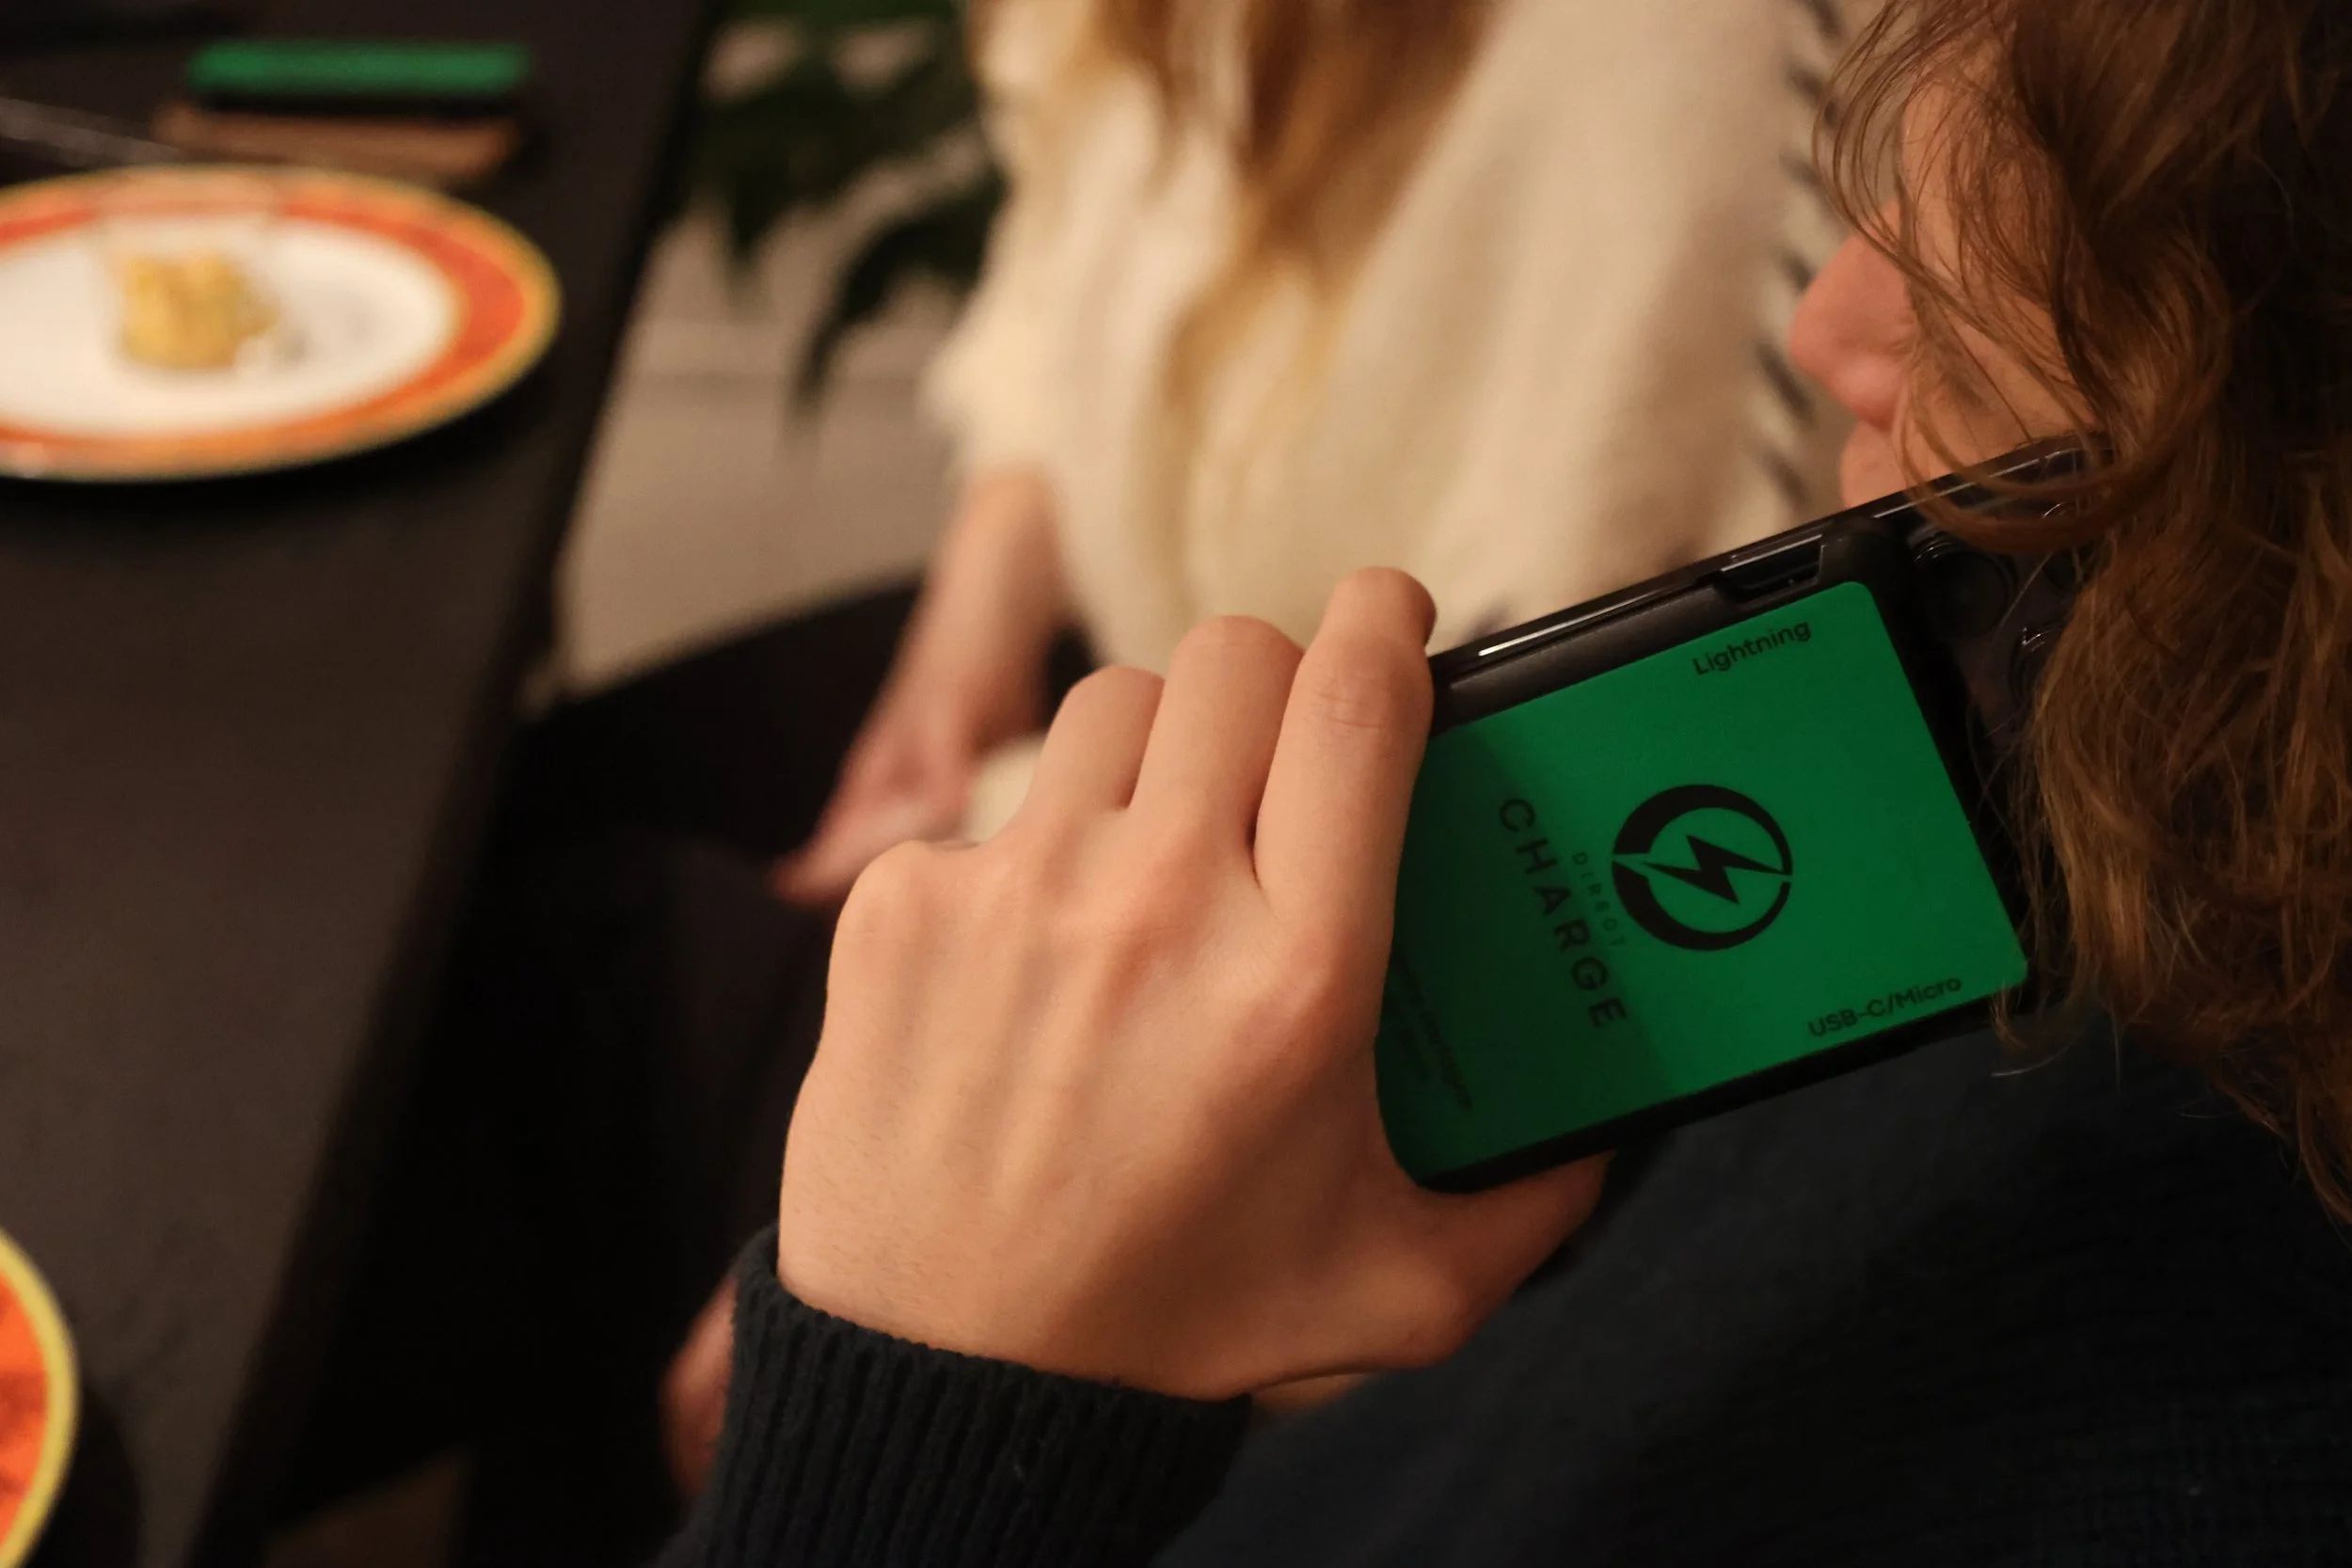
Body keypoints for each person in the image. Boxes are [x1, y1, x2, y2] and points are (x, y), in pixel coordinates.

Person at [656, 0, 2352, 1560]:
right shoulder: (2078, 930)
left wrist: (919, 1408)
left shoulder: (2154, 1394)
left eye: (1965, 358)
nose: (1824, 321)